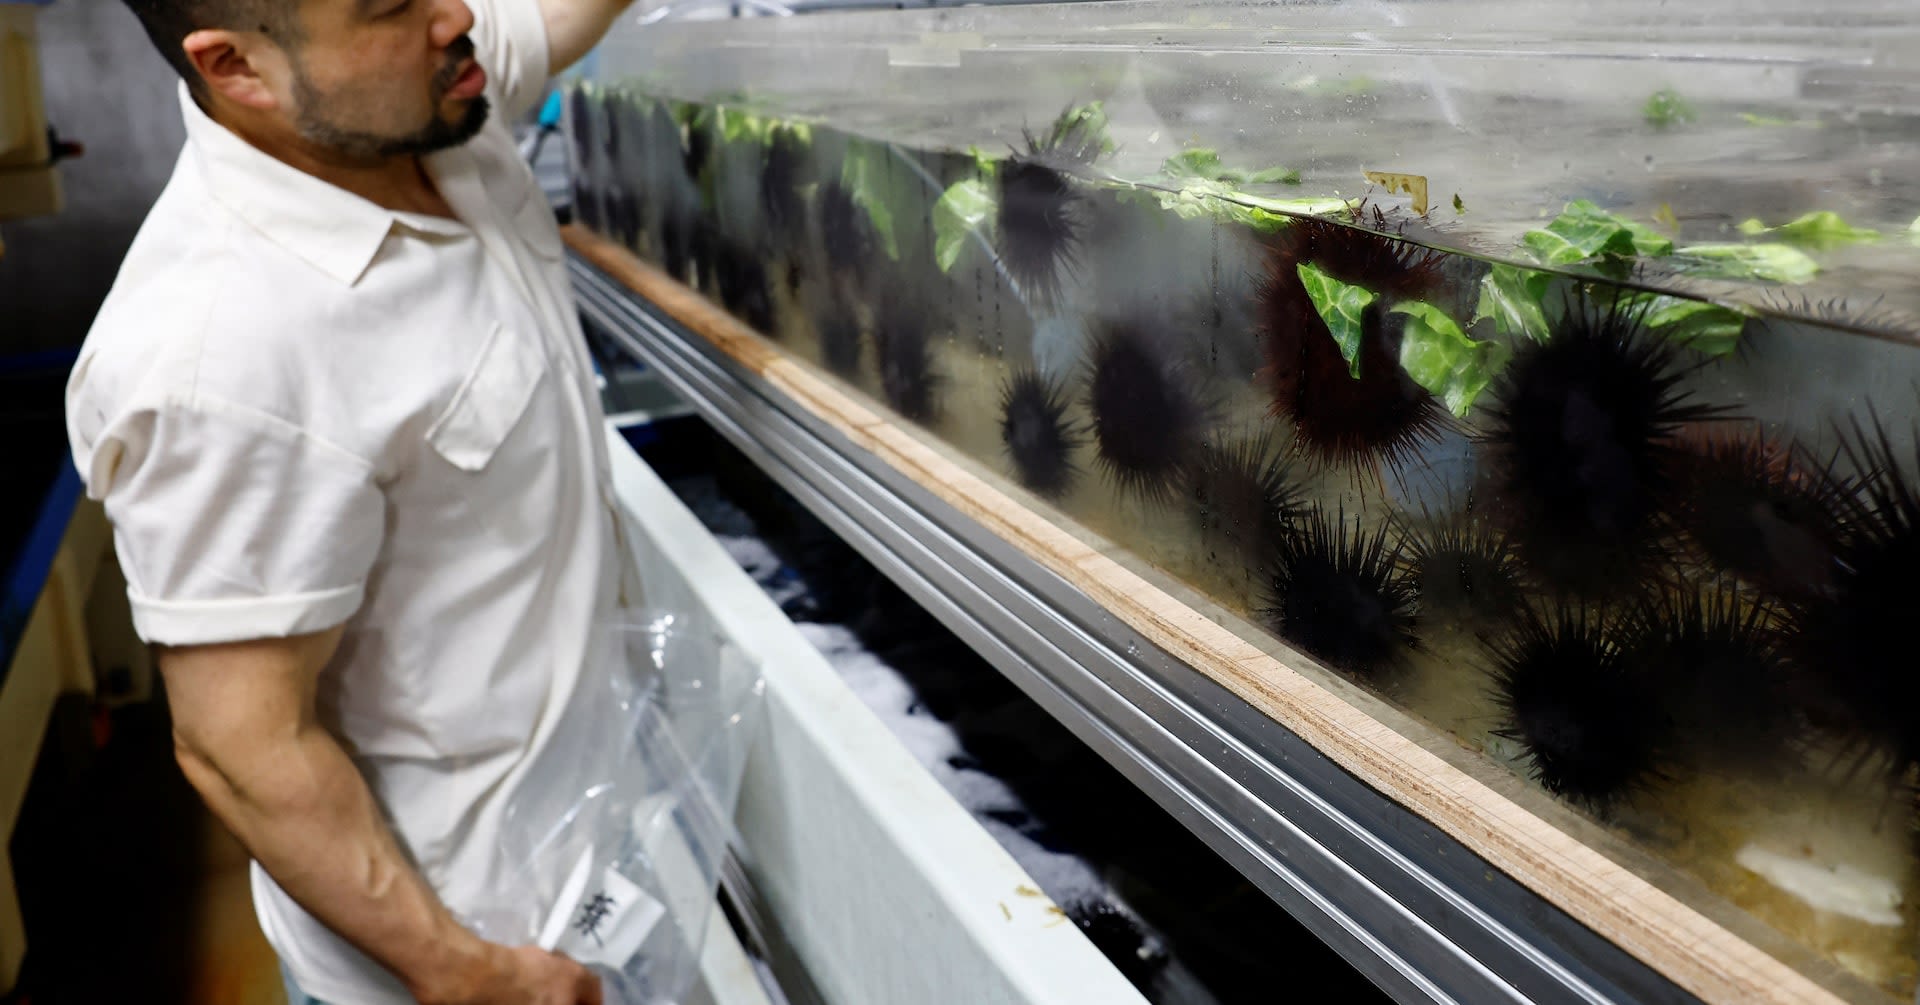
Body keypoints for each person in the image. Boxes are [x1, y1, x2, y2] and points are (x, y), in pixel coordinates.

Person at [65, 0, 642, 997]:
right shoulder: (222, 356)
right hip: (478, 931)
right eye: (392, 7)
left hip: (591, 830)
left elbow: (546, 19)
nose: (460, 12)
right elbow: (243, 746)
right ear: (238, 68)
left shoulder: (410, 87)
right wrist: (467, 974)